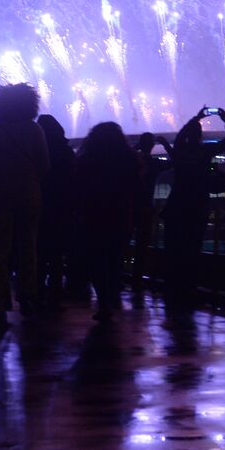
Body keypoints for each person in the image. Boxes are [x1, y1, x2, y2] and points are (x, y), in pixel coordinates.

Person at [0, 83, 50, 325]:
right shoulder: (34, 130)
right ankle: (27, 296)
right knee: (28, 246)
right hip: (28, 194)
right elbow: (44, 165)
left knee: (0, 249)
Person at [161, 106, 225, 304]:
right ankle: (189, 288)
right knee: (193, 247)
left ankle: (172, 288)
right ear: (201, 135)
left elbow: (179, 137)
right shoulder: (206, 150)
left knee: (174, 247)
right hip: (199, 204)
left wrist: (196, 117)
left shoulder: (180, 150)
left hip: (177, 203)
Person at [75, 122, 140, 320]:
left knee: (96, 258)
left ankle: (103, 300)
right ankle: (111, 297)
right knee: (114, 258)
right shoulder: (128, 159)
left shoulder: (86, 160)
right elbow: (135, 188)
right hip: (120, 213)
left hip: (93, 213)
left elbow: (77, 189)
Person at [36, 114, 76, 302]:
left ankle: (36, 287)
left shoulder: (36, 150)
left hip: (40, 205)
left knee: (39, 249)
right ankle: (55, 289)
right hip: (63, 207)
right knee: (58, 251)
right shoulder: (66, 152)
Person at [131, 132, 163, 291]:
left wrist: (135, 147)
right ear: (152, 146)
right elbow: (175, 162)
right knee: (142, 246)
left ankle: (116, 276)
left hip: (129, 207)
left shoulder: (131, 161)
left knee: (122, 242)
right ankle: (137, 279)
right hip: (146, 207)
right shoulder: (154, 163)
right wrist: (167, 145)